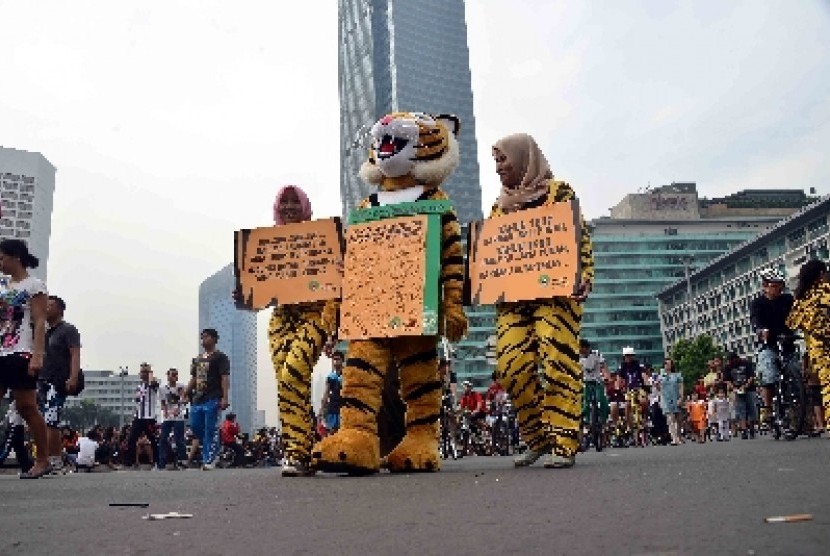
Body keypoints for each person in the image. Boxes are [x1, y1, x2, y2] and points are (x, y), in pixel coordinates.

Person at [489, 133, 593, 469]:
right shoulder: (498, 205)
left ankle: (563, 440)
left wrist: (584, 273)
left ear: (523, 159)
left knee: (556, 358)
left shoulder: (558, 191)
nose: (499, 168)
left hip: (556, 292)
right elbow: (489, 253)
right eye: (496, 161)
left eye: (503, 159)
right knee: (510, 365)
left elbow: (577, 232)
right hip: (514, 300)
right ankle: (537, 438)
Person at [235, 186, 338, 477]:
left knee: (293, 373)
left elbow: (336, 285)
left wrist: (332, 326)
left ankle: (297, 452)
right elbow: (262, 296)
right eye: (285, 202)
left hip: (314, 316)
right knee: (288, 383)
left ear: (305, 206)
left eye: (295, 202)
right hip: (281, 321)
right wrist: (245, 297)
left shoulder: (323, 240)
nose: (290, 207)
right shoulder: (267, 247)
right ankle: (301, 452)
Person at [0, 239, 50, 479]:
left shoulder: (34, 285)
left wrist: (37, 355)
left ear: (16, 257)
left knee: (26, 407)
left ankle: (42, 459)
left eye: (2, 258)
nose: (0, 263)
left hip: (21, 351)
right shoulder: (2, 286)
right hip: (1, 350)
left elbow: (40, 321)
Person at [38, 295, 82, 474]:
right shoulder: (45, 331)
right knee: (42, 420)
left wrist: (73, 378)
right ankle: (46, 458)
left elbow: (75, 355)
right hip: (43, 380)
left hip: (58, 381)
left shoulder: (68, 330)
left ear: (60, 310)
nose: (46, 308)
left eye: (50, 305)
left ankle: (55, 460)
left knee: (51, 421)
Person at [786, 259, 830, 432]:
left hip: (816, 349)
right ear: (821, 275)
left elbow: (791, 323)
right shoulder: (825, 290)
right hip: (826, 343)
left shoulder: (801, 299)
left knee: (826, 384)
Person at [750, 269, 794, 423]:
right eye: (774, 286)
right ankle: (767, 408)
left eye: (780, 286)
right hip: (769, 343)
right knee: (768, 373)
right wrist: (761, 330)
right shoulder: (758, 303)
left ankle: (799, 413)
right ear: (765, 286)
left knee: (796, 373)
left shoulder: (788, 299)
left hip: (788, 341)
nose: (778, 289)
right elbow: (755, 320)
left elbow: (796, 314)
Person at [185, 328, 230, 470]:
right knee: (195, 426)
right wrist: (186, 392)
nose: (203, 340)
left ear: (215, 339)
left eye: (207, 337)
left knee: (210, 428)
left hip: (213, 397)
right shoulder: (197, 359)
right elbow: (194, 378)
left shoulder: (220, 357)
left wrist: (224, 397)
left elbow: (224, 377)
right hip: (198, 399)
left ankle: (209, 459)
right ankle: (214, 449)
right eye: (202, 337)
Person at [125, 363, 159, 468]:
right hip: (139, 417)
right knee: (131, 439)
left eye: (145, 372)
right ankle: (130, 461)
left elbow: (154, 384)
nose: (143, 374)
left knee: (153, 439)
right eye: (142, 372)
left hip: (149, 417)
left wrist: (150, 374)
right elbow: (138, 401)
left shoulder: (153, 384)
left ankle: (157, 461)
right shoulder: (139, 387)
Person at [157, 368, 187, 470]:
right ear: (168, 376)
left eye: (176, 375)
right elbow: (162, 402)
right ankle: (161, 462)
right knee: (163, 439)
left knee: (179, 439)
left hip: (179, 417)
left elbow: (185, 399)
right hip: (167, 417)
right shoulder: (162, 389)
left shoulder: (181, 387)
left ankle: (182, 460)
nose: (174, 377)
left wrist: (180, 406)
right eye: (173, 375)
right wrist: (164, 411)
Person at [618, 347, 648, 447]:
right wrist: (620, 386)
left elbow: (644, 375)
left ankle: (645, 418)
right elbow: (620, 378)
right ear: (624, 357)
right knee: (627, 406)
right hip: (629, 390)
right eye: (627, 356)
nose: (628, 358)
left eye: (630, 356)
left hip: (639, 388)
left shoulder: (638, 365)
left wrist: (647, 384)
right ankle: (630, 428)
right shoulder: (623, 366)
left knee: (643, 402)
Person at [723, 352, 756, 439]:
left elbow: (751, 376)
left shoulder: (746, 363)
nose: (731, 363)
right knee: (741, 410)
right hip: (737, 391)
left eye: (732, 361)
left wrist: (745, 386)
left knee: (752, 408)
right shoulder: (727, 367)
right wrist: (734, 388)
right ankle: (744, 430)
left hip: (750, 389)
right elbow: (727, 380)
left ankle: (752, 428)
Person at [579, 340, 609, 435]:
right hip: (585, 383)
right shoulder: (577, 357)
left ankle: (603, 422)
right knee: (585, 404)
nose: (579, 350)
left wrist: (607, 377)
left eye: (580, 348)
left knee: (601, 400)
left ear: (585, 348)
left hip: (597, 382)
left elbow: (604, 367)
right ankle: (586, 423)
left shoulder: (596, 354)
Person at [659, 358, 683, 445]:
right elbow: (659, 388)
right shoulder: (661, 376)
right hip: (665, 398)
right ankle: (674, 438)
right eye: (666, 364)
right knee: (670, 418)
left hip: (675, 397)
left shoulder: (677, 375)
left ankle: (679, 436)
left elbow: (680, 387)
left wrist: (681, 397)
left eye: (669, 364)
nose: (668, 365)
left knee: (678, 419)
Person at [320, 351, 344, 435]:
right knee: (332, 432)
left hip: (344, 407)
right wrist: (322, 409)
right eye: (334, 359)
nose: (335, 362)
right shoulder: (330, 377)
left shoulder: (347, 375)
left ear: (342, 361)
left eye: (338, 359)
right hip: (333, 407)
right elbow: (326, 393)